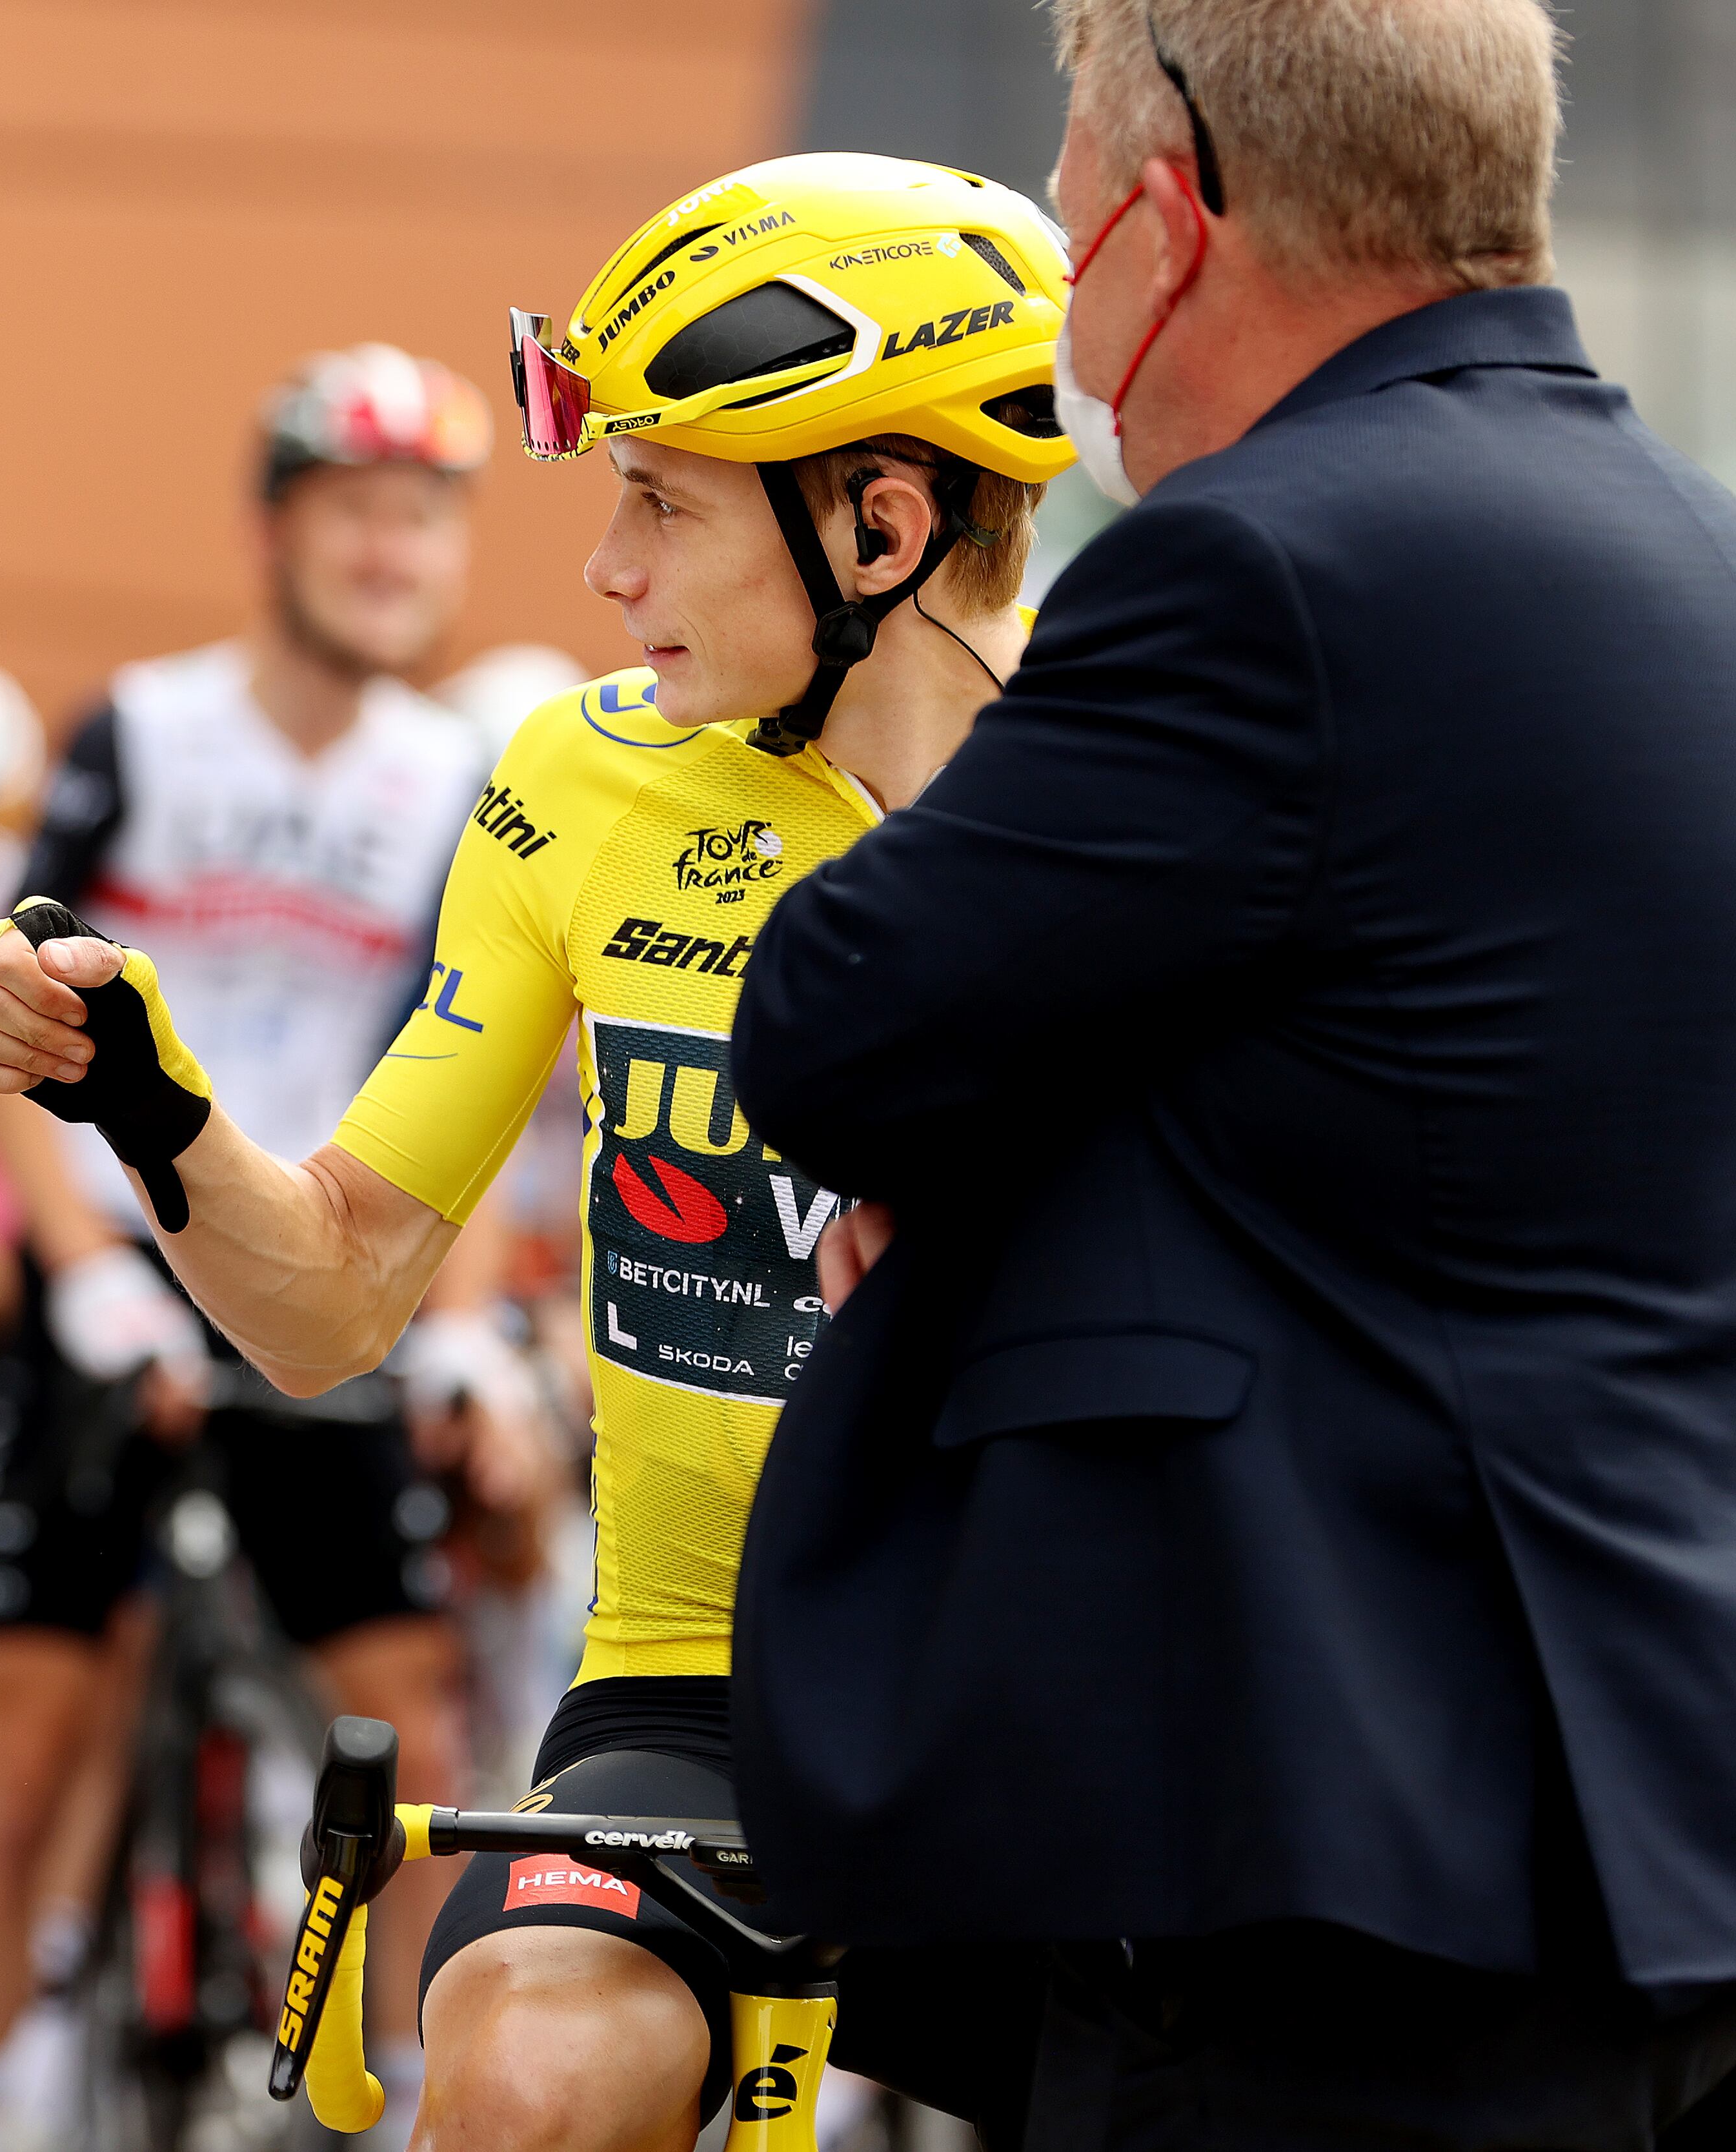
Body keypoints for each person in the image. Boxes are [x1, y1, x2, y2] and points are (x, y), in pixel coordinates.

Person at [0, 155, 1073, 2152]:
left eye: (658, 503)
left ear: (879, 527)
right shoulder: (577, 777)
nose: (604, 577)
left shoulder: (1153, 795)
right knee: (527, 2072)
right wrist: (147, 1100)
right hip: (693, 1688)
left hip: (1074, 1698)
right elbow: (331, 1294)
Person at [723, 4, 1736, 2146]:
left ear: (1170, 221)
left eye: (1072, 221)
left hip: (1333, 1840)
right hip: (1648, 1801)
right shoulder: (1693, 549)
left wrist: (978, 1176)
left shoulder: (1254, 565)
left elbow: (836, 1024)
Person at [0, 341, 545, 2151]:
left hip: (321, 1280)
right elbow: (18, 1020)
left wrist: (480, 1333)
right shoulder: (141, 730)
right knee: (20, 1726)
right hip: (113, 1265)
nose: (393, 554)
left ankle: (418, 2098)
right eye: (357, 512)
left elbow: (488, 1090)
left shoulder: (467, 780)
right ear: (276, 530)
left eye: (427, 522)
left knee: (408, 1739)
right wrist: (85, 1276)